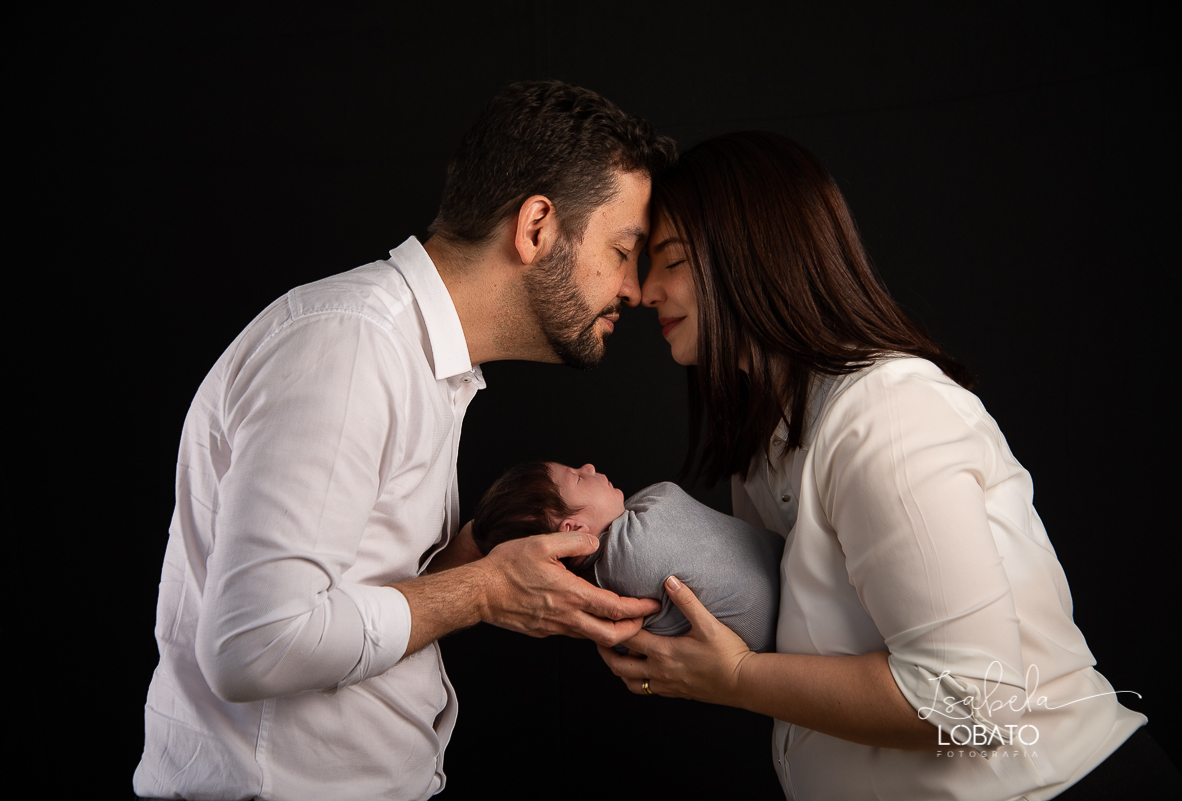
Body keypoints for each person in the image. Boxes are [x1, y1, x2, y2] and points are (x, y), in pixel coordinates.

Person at [133, 81, 675, 801]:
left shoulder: (422, 361)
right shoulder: (354, 348)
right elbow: (252, 644)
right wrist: (484, 590)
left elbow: (345, 592)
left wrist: (480, 554)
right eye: (622, 250)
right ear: (537, 227)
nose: (635, 288)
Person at [601, 131, 1158, 800]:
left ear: (753, 255)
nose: (638, 289)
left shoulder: (885, 415)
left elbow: (969, 698)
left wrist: (739, 678)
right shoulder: (764, 439)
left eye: (671, 259)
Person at [471, 461, 784, 651]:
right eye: (578, 477)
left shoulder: (596, 598)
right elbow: (667, 493)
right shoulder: (632, 552)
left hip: (784, 609)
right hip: (792, 607)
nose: (589, 468)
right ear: (573, 529)